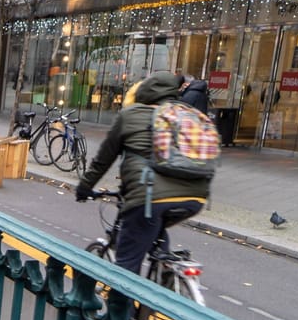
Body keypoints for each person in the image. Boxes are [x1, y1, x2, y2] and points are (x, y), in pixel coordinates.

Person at [74, 71, 211, 275]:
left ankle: (121, 305)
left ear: (145, 90)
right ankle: (166, 274)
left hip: (148, 197)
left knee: (126, 268)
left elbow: (103, 160)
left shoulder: (131, 115)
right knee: (153, 224)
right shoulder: (190, 115)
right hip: (195, 198)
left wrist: (84, 187)